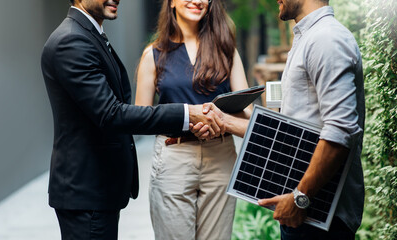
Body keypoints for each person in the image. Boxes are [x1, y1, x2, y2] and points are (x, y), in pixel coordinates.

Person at [40, 0, 224, 239]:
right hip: (86, 192)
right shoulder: (71, 41)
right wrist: (187, 114)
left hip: (96, 191)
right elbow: (111, 113)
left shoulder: (89, 35)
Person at [195, 0, 365, 239]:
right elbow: (291, 131)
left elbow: (340, 131)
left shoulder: (327, 39)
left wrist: (300, 197)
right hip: (305, 208)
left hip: (320, 213)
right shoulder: (308, 37)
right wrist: (224, 121)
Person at [134, 0, 251, 239]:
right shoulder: (153, 54)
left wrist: (217, 120)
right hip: (174, 158)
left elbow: (249, 115)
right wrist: (187, 119)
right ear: (171, 2)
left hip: (221, 158)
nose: (197, 1)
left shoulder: (227, 50)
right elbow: (140, 118)